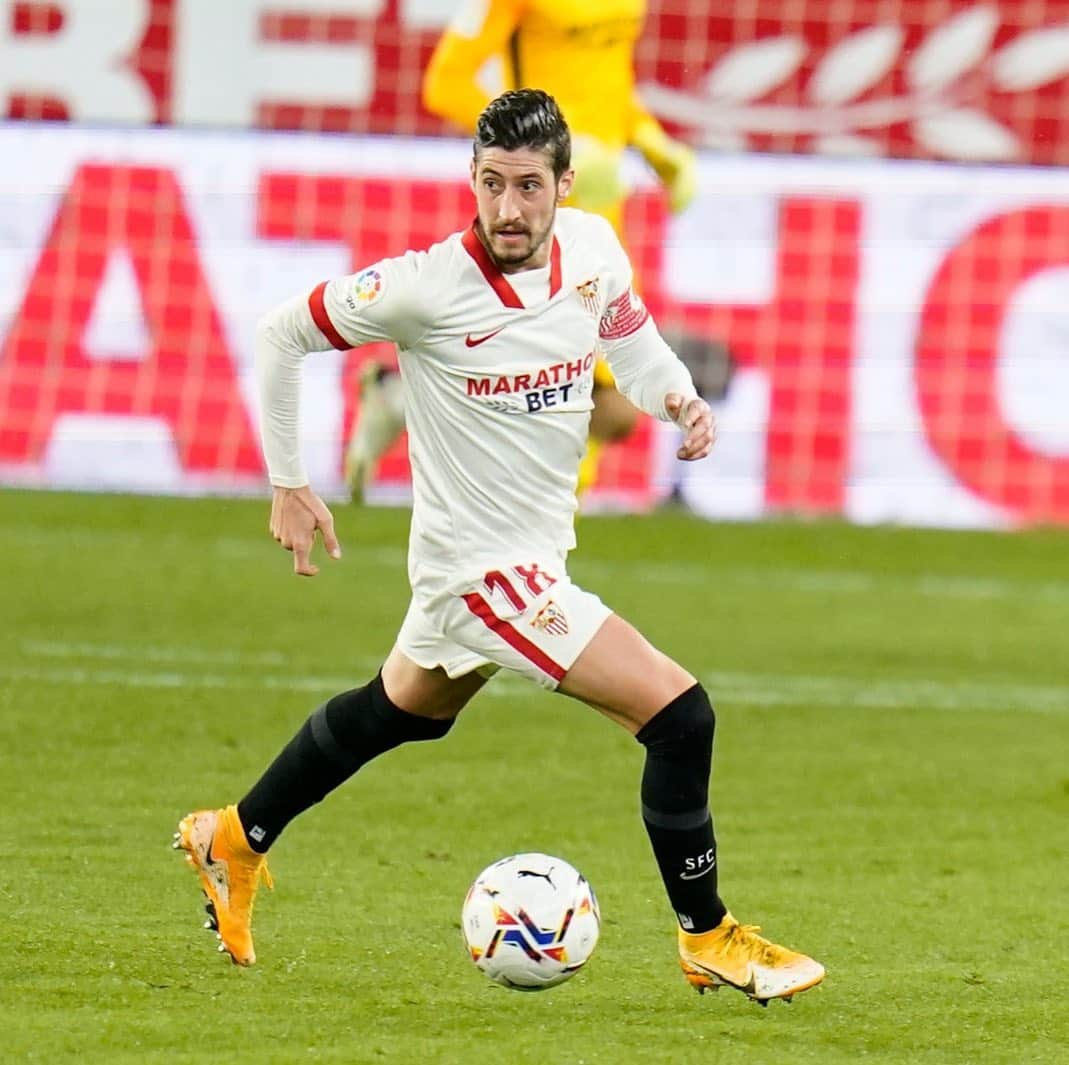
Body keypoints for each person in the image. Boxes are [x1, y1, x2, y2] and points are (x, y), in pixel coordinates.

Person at [174, 90, 823, 1005]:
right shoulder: (425, 287)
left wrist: (677, 398)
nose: (508, 209)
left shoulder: (592, 248)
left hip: (523, 559)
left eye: (527, 185)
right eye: (490, 184)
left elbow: (627, 337)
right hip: (487, 579)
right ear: (470, 181)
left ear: (564, 184)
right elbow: (281, 332)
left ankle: (232, 837)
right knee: (681, 717)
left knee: (399, 711)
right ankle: (707, 934)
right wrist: (288, 479)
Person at [343, 0, 721, 501]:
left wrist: (655, 145)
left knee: (608, 408)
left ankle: (403, 400)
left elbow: (605, 84)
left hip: (602, 213)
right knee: (590, 402)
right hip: (532, 212)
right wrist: (546, 149)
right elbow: (446, 84)